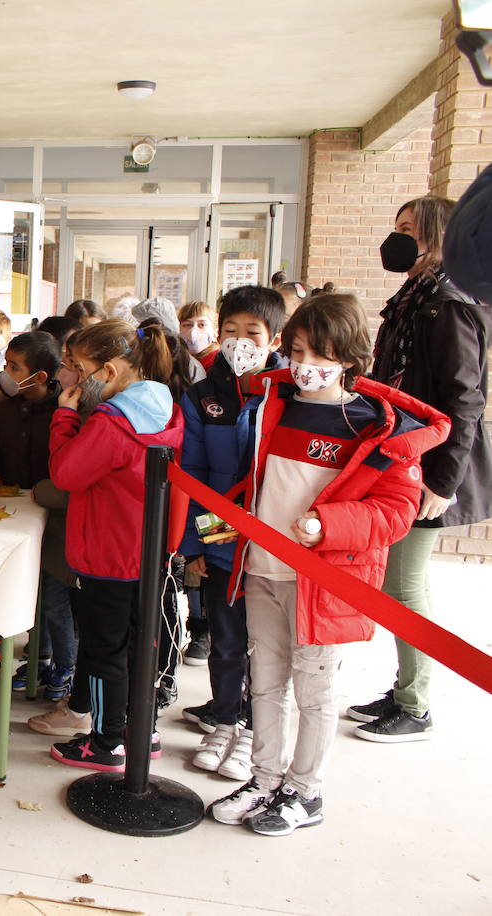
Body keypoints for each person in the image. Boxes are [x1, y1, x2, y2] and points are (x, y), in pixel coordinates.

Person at [207, 293, 448, 836]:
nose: (305, 363)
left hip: (324, 581)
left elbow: (395, 511)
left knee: (314, 690)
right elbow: (258, 481)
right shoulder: (276, 404)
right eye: (297, 349)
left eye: (321, 352)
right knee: (264, 682)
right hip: (263, 569)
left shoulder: (377, 427)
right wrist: (218, 538)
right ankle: (266, 779)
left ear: (350, 359)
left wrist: (328, 525)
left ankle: (306, 792)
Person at [347, 196, 492, 742]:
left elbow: (466, 399)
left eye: (409, 229)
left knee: (404, 585)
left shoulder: (450, 302)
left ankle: (416, 704)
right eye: (396, 226)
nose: (398, 238)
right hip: (404, 459)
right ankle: (405, 687)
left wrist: (442, 482)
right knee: (394, 582)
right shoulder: (417, 297)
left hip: (427, 468)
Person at [32, 320, 183, 770]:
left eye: (79, 367)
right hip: (145, 550)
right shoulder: (165, 408)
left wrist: (63, 416)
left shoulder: (112, 421)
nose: (73, 377)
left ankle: (104, 742)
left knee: (102, 652)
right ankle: (142, 731)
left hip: (105, 554)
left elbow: (66, 474)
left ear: (110, 372)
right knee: (139, 646)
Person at [176, 285, 288, 780]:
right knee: (225, 639)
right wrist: (200, 544)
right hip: (224, 541)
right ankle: (224, 720)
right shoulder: (204, 396)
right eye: (230, 332)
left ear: (274, 339)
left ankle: (253, 731)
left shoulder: (292, 394)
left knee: (266, 647)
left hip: (273, 546)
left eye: (252, 334)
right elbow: (195, 475)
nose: (239, 342)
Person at [0, 332, 78, 702]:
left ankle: (66, 665)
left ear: (39, 377)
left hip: (54, 516)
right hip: (13, 512)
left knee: (54, 597)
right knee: (28, 594)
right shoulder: (3, 408)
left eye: (13, 367)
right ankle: (36, 658)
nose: (4, 373)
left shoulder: (64, 411)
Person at [178, 300, 219, 369]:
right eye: (187, 325)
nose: (193, 331)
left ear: (215, 331)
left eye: (202, 325)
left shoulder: (218, 362)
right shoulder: (178, 359)